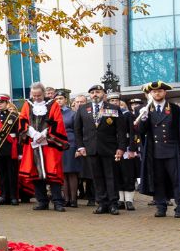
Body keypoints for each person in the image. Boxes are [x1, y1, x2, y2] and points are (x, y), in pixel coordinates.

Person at [133, 81, 180, 218]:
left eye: (160, 91)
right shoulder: (145, 110)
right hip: (155, 151)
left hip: (173, 150)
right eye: (154, 92)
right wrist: (144, 118)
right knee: (158, 180)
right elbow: (141, 131)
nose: (157, 93)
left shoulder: (175, 109)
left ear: (165, 92)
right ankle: (161, 207)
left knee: (177, 180)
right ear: (150, 94)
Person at [74, 85, 128, 215]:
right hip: (91, 148)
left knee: (111, 177)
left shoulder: (113, 108)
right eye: (92, 92)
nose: (94, 94)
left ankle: (113, 204)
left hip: (109, 148)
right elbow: (77, 130)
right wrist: (80, 146)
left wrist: (121, 147)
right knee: (96, 177)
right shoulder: (82, 109)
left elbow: (120, 131)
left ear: (103, 94)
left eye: (97, 92)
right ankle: (102, 203)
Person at [18, 82, 69, 211]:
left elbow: (57, 121)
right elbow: (23, 120)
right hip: (33, 144)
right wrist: (33, 133)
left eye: (38, 95)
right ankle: (42, 201)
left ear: (43, 93)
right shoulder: (27, 104)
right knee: (35, 172)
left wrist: (45, 133)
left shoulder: (53, 104)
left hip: (49, 144)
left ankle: (58, 202)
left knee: (53, 172)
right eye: (34, 95)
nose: (36, 98)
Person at [0, 95, 21, 205]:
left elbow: (18, 133)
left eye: (1, 102)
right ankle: (3, 195)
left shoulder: (13, 116)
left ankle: (13, 196)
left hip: (11, 147)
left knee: (12, 173)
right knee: (1, 173)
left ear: (7, 103)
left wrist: (19, 150)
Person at [58, 93, 81, 207]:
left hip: (71, 144)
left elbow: (77, 132)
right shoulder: (53, 113)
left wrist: (78, 147)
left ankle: (73, 200)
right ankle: (66, 199)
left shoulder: (72, 113)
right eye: (56, 99)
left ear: (65, 100)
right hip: (58, 146)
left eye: (61, 98)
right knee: (62, 173)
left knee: (71, 173)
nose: (58, 101)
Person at [120, 96, 143, 210]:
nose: (115, 103)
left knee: (128, 175)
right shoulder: (108, 114)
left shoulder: (127, 115)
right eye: (112, 101)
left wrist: (132, 149)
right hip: (113, 149)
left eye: (117, 101)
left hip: (127, 149)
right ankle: (120, 200)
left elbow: (133, 132)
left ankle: (128, 200)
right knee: (118, 176)